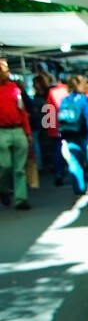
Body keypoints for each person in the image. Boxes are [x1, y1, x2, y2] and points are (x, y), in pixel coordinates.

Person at [58, 75, 88, 195]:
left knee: (74, 162)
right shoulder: (84, 100)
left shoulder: (64, 100)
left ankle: (79, 188)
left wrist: (61, 135)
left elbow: (58, 118)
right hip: (85, 135)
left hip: (69, 135)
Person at [0, 58, 34, 210]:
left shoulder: (15, 88)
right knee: (4, 165)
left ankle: (21, 199)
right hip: (2, 131)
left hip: (18, 129)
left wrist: (27, 133)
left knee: (19, 168)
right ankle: (4, 189)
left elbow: (23, 112)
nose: (7, 73)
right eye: (5, 70)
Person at [43, 73, 69, 187]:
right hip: (71, 126)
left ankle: (59, 173)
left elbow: (49, 109)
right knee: (71, 149)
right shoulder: (69, 90)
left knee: (57, 151)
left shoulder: (52, 92)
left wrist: (50, 127)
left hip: (56, 126)